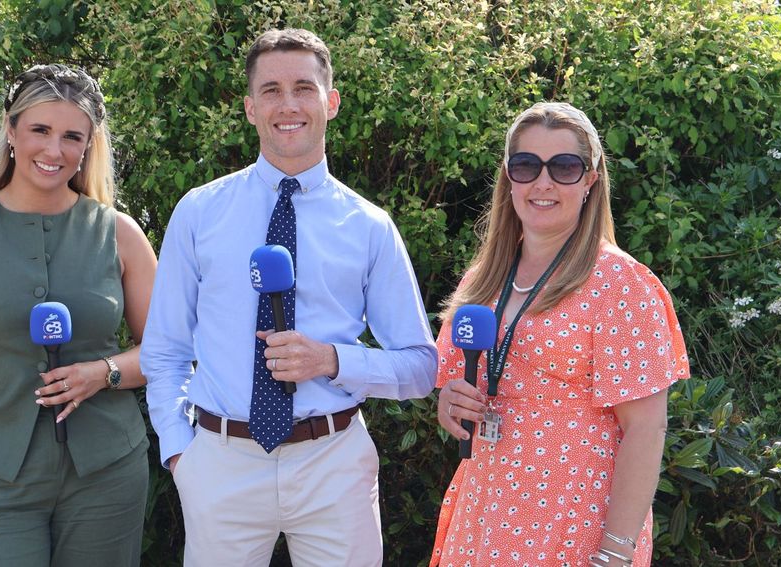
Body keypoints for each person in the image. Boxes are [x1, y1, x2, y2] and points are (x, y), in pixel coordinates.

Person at [140, 28, 437, 566]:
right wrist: (180, 452)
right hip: (219, 463)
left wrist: (331, 360)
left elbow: (420, 368)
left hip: (334, 465)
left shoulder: (369, 226)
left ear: (332, 101)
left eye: (303, 87)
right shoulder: (199, 212)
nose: (288, 104)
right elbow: (164, 348)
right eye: (271, 90)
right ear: (251, 108)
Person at [0, 63, 157, 567]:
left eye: (72, 136)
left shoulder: (121, 234)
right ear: (11, 130)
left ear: (89, 144)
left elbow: (166, 350)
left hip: (107, 473)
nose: (54, 151)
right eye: (40, 130)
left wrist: (104, 373)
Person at [430, 102, 690, 567]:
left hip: (575, 521)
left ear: (590, 180)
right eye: (526, 165)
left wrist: (615, 553)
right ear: (509, 177)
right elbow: (459, 382)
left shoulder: (620, 283)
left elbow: (646, 430)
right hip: (488, 508)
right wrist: (451, 401)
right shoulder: (485, 276)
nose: (543, 182)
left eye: (565, 167)